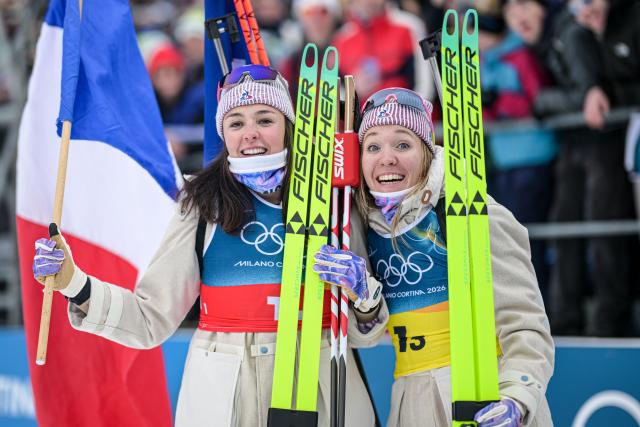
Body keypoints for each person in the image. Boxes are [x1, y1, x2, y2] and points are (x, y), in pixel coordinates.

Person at [31, 65, 385, 427]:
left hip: (318, 384)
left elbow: (365, 336)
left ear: (288, 126)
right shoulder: (201, 205)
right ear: (223, 134)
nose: (250, 134)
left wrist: (365, 297)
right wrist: (75, 284)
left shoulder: (332, 201)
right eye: (236, 123)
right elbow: (150, 318)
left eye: (265, 120)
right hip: (225, 393)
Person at [318, 87, 554, 426]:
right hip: (410, 399)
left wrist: (517, 395)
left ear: (428, 153)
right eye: (372, 146)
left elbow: (526, 324)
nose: (387, 158)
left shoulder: (472, 214)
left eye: (403, 144)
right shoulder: (363, 226)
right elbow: (364, 338)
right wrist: (363, 298)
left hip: (484, 392)